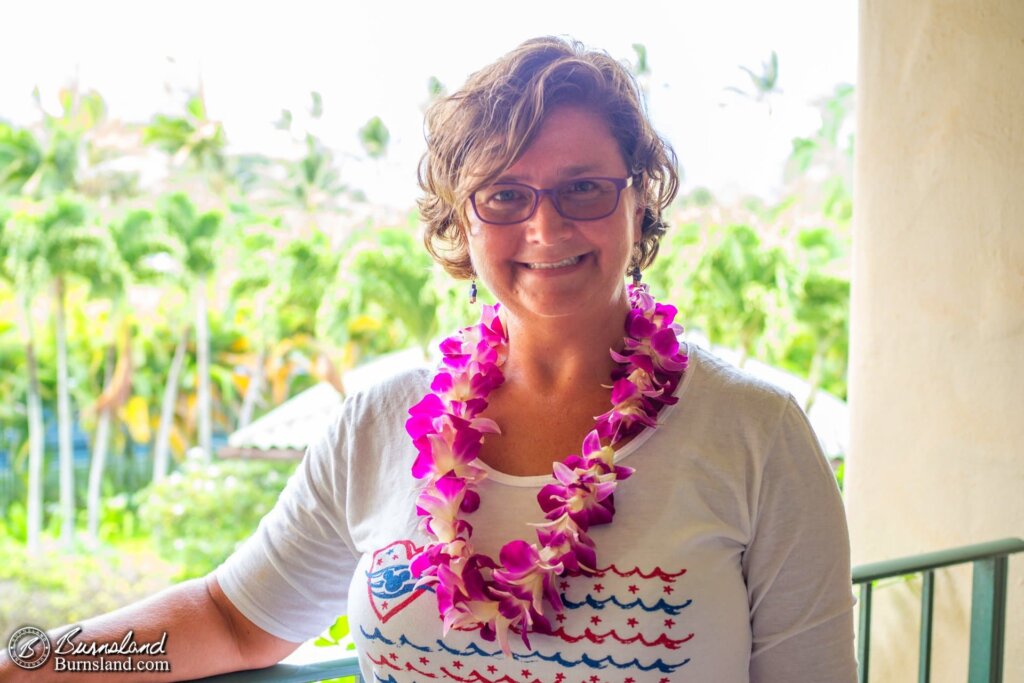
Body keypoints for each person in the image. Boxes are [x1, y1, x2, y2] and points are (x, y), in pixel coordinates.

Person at [1, 37, 857, 682]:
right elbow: (231, 620)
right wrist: (32, 662)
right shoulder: (379, 421)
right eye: (505, 195)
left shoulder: (755, 433)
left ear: (640, 196)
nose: (547, 229)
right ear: (460, 219)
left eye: (585, 188)